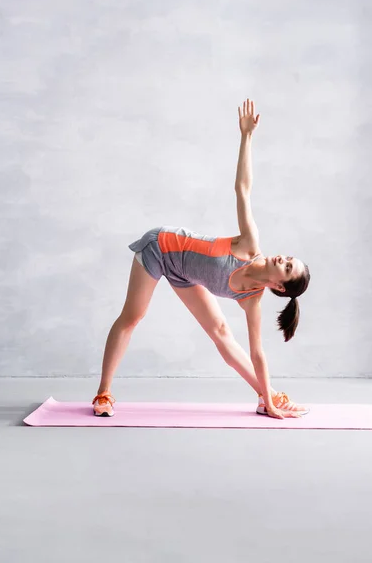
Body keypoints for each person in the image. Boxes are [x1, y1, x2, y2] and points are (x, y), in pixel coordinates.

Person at [92, 99, 311, 420]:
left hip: (183, 274)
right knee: (133, 317)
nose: (283, 258)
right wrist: (246, 136)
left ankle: (268, 398)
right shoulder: (250, 246)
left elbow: (257, 353)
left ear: (279, 286)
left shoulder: (252, 299)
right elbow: (242, 189)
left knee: (221, 331)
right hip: (161, 247)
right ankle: (104, 393)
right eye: (289, 258)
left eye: (288, 266)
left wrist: (270, 398)